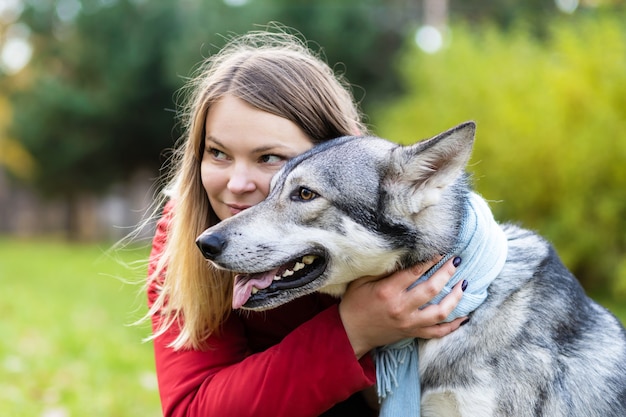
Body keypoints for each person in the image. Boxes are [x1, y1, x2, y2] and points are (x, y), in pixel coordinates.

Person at [145, 28, 468, 417]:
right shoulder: (188, 236)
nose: (236, 184)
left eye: (268, 157)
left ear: (337, 151)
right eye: (217, 152)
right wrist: (354, 330)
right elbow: (191, 409)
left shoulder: (391, 215)